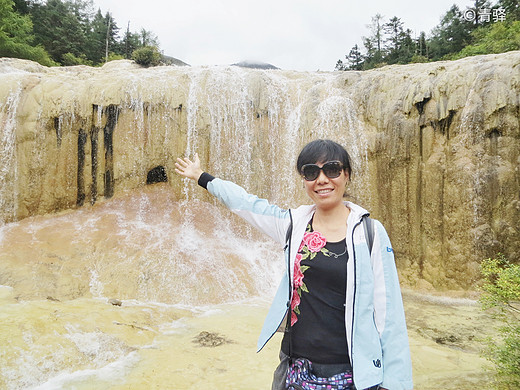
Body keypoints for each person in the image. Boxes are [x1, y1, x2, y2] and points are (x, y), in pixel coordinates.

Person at [175, 139, 413, 390]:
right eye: (311, 172)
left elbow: (389, 312)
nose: (321, 179)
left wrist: (394, 383)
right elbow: (246, 204)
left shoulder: (370, 233)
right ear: (303, 179)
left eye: (332, 169)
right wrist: (202, 177)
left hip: (351, 373)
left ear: (347, 175)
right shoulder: (293, 224)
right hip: (296, 370)